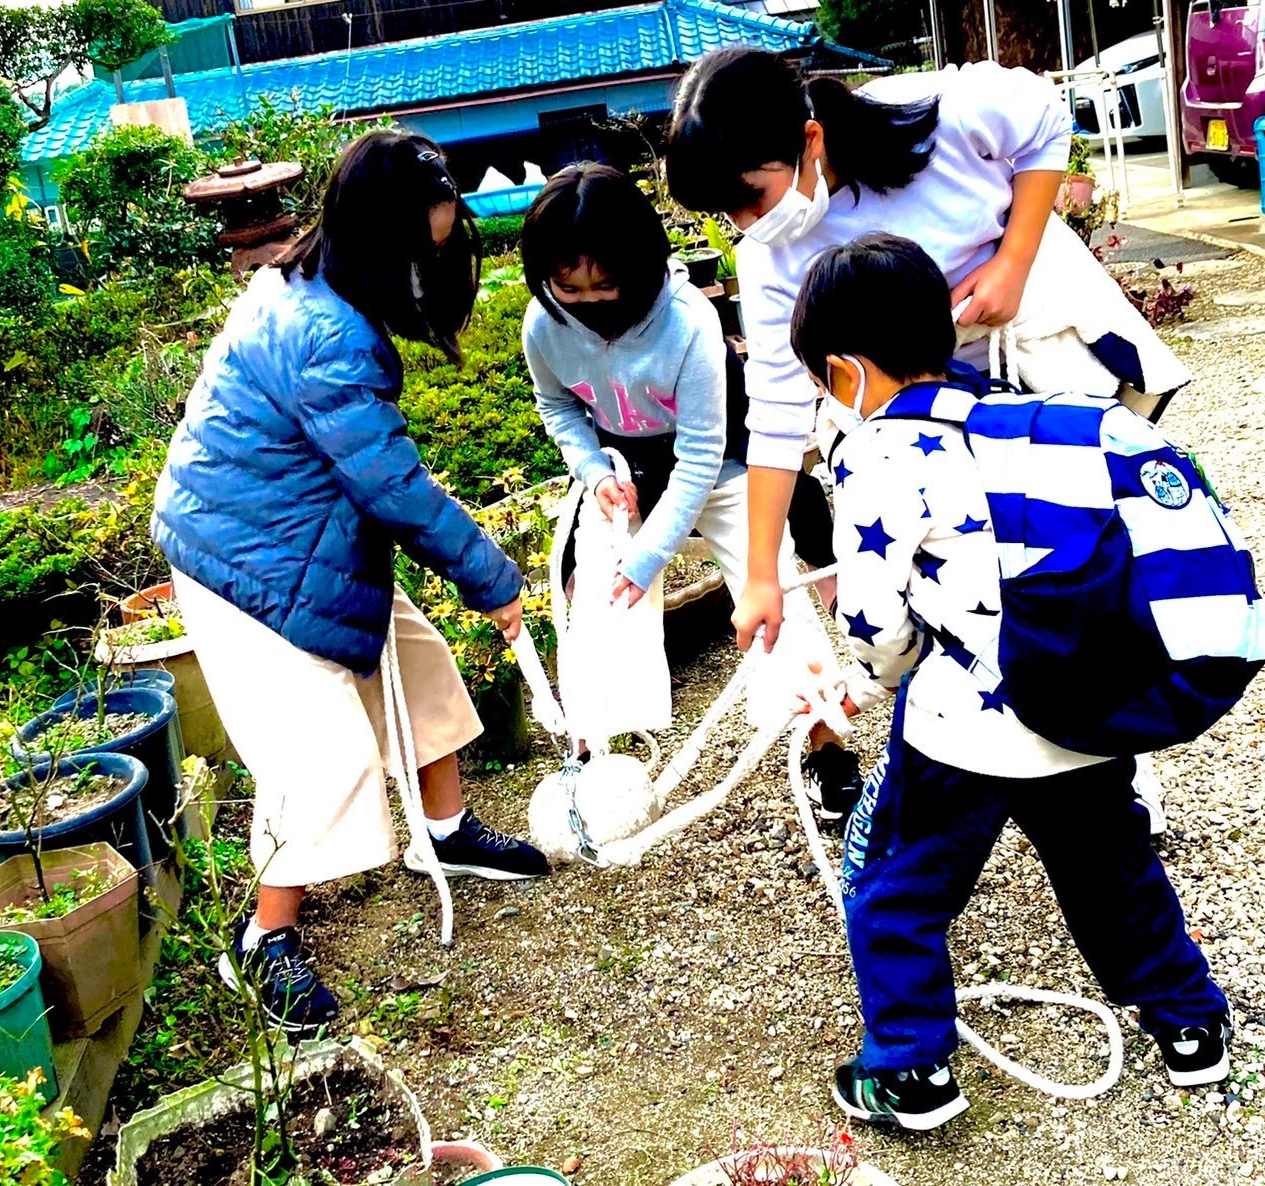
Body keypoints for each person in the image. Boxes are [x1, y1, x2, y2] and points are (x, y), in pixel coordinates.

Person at [665, 47, 1183, 828]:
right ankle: (1019, 737)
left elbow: (1043, 117)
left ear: (810, 138)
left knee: (1075, 557)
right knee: (975, 576)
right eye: (727, 212)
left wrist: (1014, 258)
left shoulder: (934, 115)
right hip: (914, 418)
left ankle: (1112, 756)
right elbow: (774, 415)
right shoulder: (769, 261)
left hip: (1023, 355)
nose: (748, 223)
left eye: (753, 196)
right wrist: (765, 575)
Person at [788, 233, 1229, 1131]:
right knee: (1112, 872)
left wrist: (878, 683)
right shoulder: (1029, 418)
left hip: (958, 733)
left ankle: (912, 1072)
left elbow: (873, 622)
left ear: (843, 371)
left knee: (897, 888)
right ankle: (1190, 1024)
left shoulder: (875, 453)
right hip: (1077, 712)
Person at [151, 131, 549, 1036]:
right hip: (245, 562)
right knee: (317, 758)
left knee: (420, 670)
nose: (436, 262)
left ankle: (446, 834)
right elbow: (394, 487)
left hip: (305, 532)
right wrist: (492, 578)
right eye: (427, 246)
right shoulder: (326, 335)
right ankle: (263, 940)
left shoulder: (312, 280)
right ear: (382, 239)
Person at [519, 163, 857, 808]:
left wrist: (651, 558)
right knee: (589, 589)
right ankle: (594, 760)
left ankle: (826, 744)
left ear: (642, 264)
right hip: (628, 473)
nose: (589, 301)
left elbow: (703, 453)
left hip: (725, 465)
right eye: (569, 287)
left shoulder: (686, 318)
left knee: (770, 583)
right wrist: (593, 471)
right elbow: (556, 404)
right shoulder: (544, 323)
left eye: (607, 285)